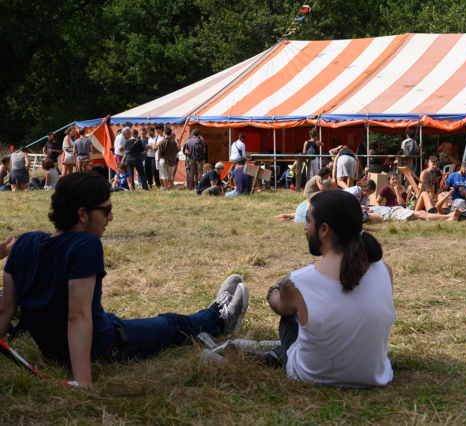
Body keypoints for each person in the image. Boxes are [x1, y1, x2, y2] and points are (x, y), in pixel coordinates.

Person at [0, 172, 249, 387]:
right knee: (171, 324)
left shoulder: (25, 242)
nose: (111, 218)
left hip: (54, 347)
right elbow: (77, 316)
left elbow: (6, 308)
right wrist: (83, 381)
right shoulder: (85, 245)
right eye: (106, 210)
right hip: (104, 346)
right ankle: (219, 319)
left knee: (113, 319)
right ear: (82, 214)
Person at [264, 189, 395, 387]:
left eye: (308, 221)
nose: (305, 227)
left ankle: (280, 354)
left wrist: (275, 287)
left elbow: (278, 305)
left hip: (311, 377)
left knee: (291, 316)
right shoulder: (385, 270)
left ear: (324, 229)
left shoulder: (297, 282)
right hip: (375, 377)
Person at [157, 126, 179, 191]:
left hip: (163, 160)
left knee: (163, 176)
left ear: (164, 132)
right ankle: (171, 188)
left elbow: (159, 153)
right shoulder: (173, 142)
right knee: (171, 176)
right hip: (172, 160)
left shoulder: (161, 142)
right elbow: (176, 153)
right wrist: (174, 160)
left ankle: (166, 189)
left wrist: (159, 160)